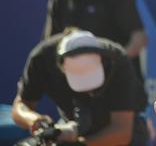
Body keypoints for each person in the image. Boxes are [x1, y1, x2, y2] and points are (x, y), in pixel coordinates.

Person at [12, 29, 148, 145]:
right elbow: (20, 107)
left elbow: (122, 131)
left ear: (100, 60)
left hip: (119, 136)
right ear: (61, 69)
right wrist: (36, 121)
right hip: (70, 128)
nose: (88, 89)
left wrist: (81, 144)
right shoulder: (41, 58)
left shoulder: (117, 60)